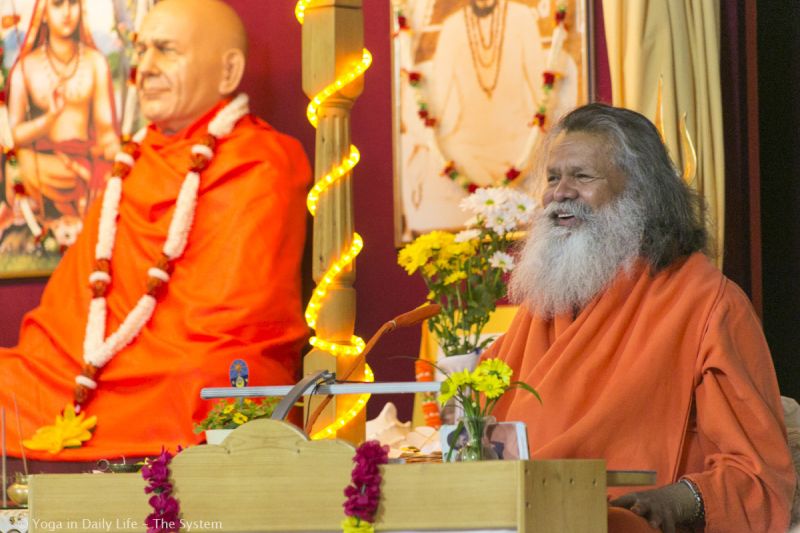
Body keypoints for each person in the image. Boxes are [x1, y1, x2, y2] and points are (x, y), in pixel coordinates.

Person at [0, 0, 310, 460]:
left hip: (182, 370)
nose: (143, 67)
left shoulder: (262, 161)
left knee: (216, 382)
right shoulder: (132, 163)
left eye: (165, 50)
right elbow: (70, 312)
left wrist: (139, 361)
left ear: (228, 71)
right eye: (140, 50)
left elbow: (236, 322)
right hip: (83, 371)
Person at [486, 103, 795, 532]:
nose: (560, 193)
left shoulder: (707, 304)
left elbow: (757, 478)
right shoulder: (544, 303)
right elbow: (479, 421)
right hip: (515, 512)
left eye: (582, 176)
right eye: (553, 177)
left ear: (639, 191)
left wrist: (678, 500)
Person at [1, 0, 120, 239]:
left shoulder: (96, 62)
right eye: (57, 4)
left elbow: (106, 131)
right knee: (19, 165)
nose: (67, 13)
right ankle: (44, 220)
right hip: (43, 166)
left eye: (73, 3)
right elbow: (12, 137)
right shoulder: (26, 67)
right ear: (43, 13)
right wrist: (50, 119)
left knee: (114, 174)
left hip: (85, 164)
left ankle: (73, 215)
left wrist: (114, 151)